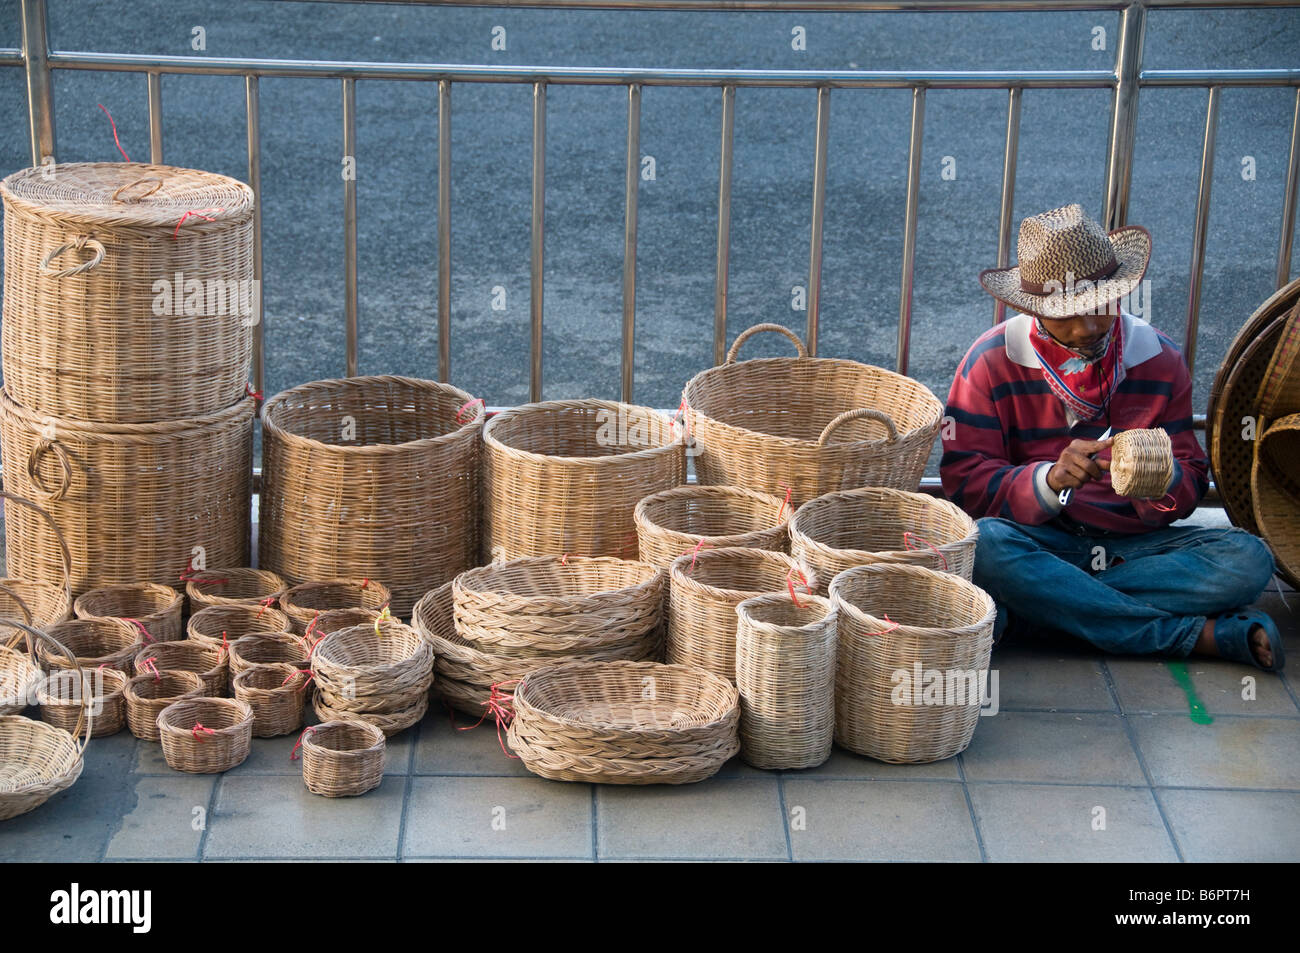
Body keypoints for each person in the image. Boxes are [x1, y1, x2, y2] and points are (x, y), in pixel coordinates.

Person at [940, 203, 1283, 671]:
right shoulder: (989, 362)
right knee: (989, 547)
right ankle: (1193, 635)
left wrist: (1160, 481)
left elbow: (1190, 480)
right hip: (1040, 541)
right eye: (1067, 315)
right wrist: (1048, 479)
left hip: (1133, 549)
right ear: (1034, 308)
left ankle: (1042, 608)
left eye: (1099, 307)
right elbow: (965, 484)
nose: (1088, 328)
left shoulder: (1158, 359)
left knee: (1248, 561)